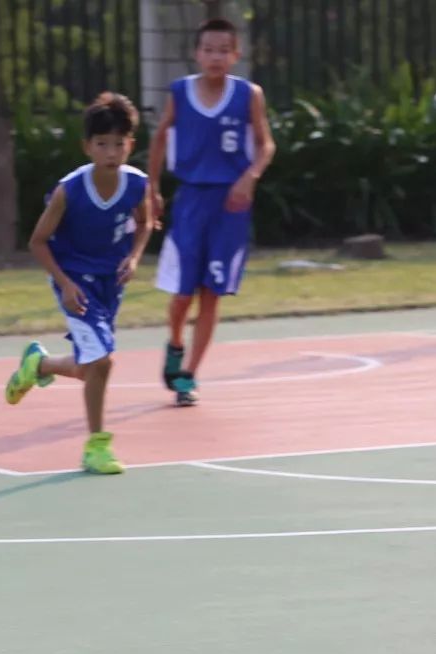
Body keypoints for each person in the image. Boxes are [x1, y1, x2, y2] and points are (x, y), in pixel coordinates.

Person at [5, 92, 152, 475]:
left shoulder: (137, 185)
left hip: (110, 284)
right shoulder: (69, 191)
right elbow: (37, 242)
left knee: (91, 368)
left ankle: (40, 364)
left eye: (119, 144)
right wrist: (65, 284)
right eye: (102, 144)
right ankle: (96, 446)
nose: (111, 151)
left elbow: (146, 221)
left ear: (130, 145)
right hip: (75, 282)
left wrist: (134, 257)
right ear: (87, 146)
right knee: (103, 360)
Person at [147, 17, 277, 405]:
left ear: (236, 55)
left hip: (231, 204)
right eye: (209, 49)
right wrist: (152, 188)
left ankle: (189, 375)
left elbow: (266, 144)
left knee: (212, 292)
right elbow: (158, 137)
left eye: (224, 50)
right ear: (197, 53)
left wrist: (249, 176)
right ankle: (174, 342)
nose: (216, 56)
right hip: (191, 201)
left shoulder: (249, 94)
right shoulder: (180, 92)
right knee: (182, 295)